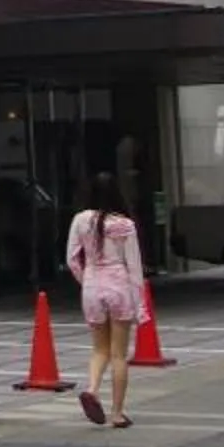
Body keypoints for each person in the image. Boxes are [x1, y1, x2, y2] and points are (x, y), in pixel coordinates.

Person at [65, 171, 145, 429]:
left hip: (92, 286)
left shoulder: (80, 220)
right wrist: (139, 303)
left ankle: (92, 389)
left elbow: (72, 259)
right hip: (119, 285)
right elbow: (134, 267)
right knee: (119, 354)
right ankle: (118, 413)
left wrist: (86, 279)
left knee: (99, 348)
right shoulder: (124, 225)